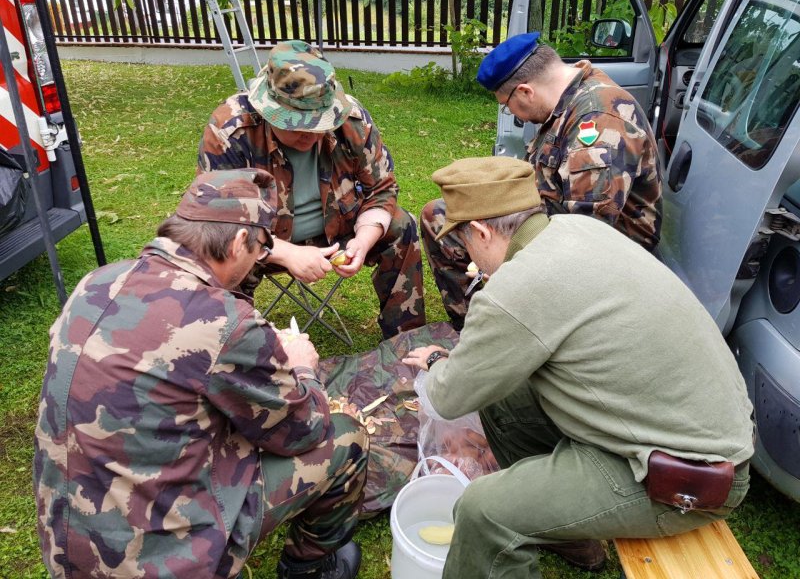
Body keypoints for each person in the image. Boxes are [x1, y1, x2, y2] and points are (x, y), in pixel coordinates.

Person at [404, 157, 753, 578]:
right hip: (687, 430)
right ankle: (565, 531)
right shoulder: (577, 229)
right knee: (505, 397)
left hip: (683, 476)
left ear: (480, 232)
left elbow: (448, 397)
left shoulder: (516, 290)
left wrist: (439, 359)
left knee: (483, 512)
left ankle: (524, 522)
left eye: (464, 240)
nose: (466, 252)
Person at [33, 169, 368, 579]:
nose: (258, 260)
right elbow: (304, 430)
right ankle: (308, 568)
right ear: (240, 241)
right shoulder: (226, 321)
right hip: (162, 562)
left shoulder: (95, 283)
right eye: (262, 249)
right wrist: (302, 366)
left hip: (68, 545)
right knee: (346, 436)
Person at [420, 32, 663, 329]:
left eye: (508, 106)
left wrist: (505, 259)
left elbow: (585, 239)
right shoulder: (568, 101)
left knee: (462, 228)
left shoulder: (598, 121)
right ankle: (478, 328)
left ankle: (504, 332)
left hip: (603, 262)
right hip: (547, 226)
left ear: (525, 91)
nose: (514, 115)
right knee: (441, 217)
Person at [198, 40, 425, 340]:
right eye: (296, 124)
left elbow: (382, 188)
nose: (311, 133)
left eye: (320, 123)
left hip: (336, 232)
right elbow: (217, 222)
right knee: (210, 259)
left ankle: (407, 344)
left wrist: (364, 237)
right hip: (258, 242)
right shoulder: (230, 131)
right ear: (269, 111)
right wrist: (286, 253)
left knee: (401, 225)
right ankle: (234, 352)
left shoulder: (352, 121)